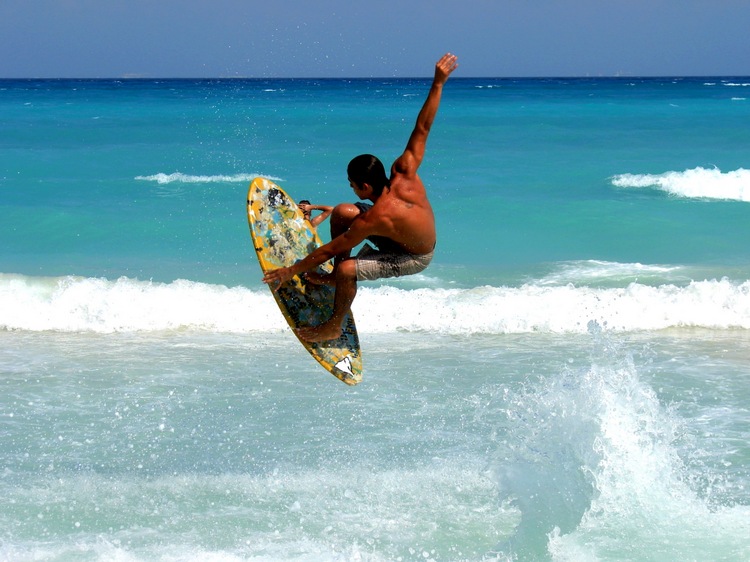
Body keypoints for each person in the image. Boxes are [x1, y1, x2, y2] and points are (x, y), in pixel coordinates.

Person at [263, 53, 459, 342]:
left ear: (366, 186)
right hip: (399, 233)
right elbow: (423, 128)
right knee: (342, 211)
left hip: (413, 255)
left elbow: (331, 249)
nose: (352, 190)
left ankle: (333, 324)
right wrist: (439, 83)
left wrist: (290, 271)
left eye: (353, 185)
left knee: (345, 267)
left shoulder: (376, 217)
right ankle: (334, 280)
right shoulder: (404, 171)